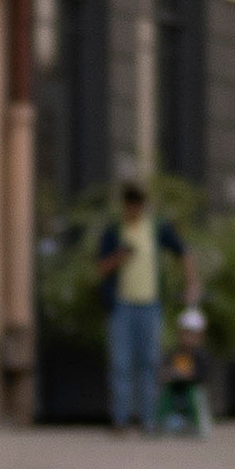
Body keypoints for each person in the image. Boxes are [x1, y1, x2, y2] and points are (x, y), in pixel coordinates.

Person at [93, 180, 194, 435]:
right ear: (124, 206)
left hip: (150, 306)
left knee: (149, 362)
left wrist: (192, 283)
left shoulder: (157, 228)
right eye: (130, 205)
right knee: (121, 363)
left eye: (138, 205)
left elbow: (183, 250)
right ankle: (121, 420)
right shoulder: (114, 232)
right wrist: (119, 258)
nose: (134, 210)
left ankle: (148, 420)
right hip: (121, 307)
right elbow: (100, 269)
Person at [156, 306, 212, 438]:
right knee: (165, 393)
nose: (188, 337)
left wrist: (188, 375)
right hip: (176, 388)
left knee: (195, 394)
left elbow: (203, 375)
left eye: (192, 333)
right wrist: (169, 374)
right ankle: (161, 424)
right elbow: (165, 371)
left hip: (192, 389)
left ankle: (199, 425)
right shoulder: (174, 352)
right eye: (186, 333)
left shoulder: (201, 355)